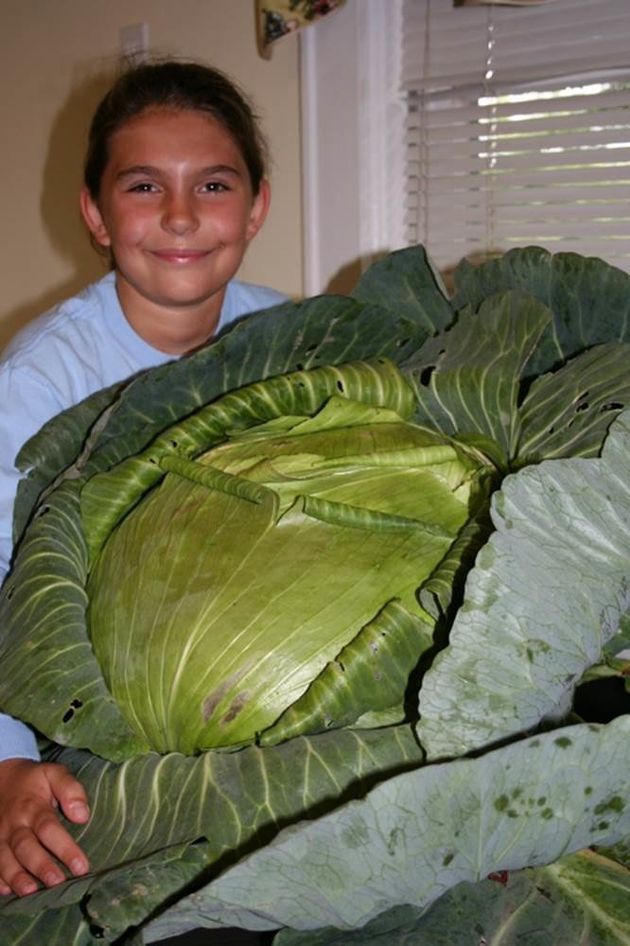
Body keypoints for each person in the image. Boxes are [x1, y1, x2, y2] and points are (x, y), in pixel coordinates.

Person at [0, 58, 288, 902]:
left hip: (260, 672)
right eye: (141, 188)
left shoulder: (293, 335)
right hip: (85, 705)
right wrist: (8, 760)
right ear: (95, 214)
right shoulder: (40, 383)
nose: (179, 217)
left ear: (256, 205)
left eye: (213, 185)